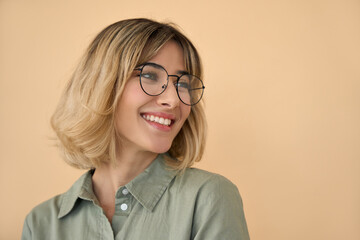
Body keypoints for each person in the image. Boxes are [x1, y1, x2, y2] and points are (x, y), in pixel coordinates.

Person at [21, 18, 250, 240]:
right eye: (149, 75)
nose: (173, 100)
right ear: (102, 85)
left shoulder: (209, 198)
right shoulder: (41, 224)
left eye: (182, 83)